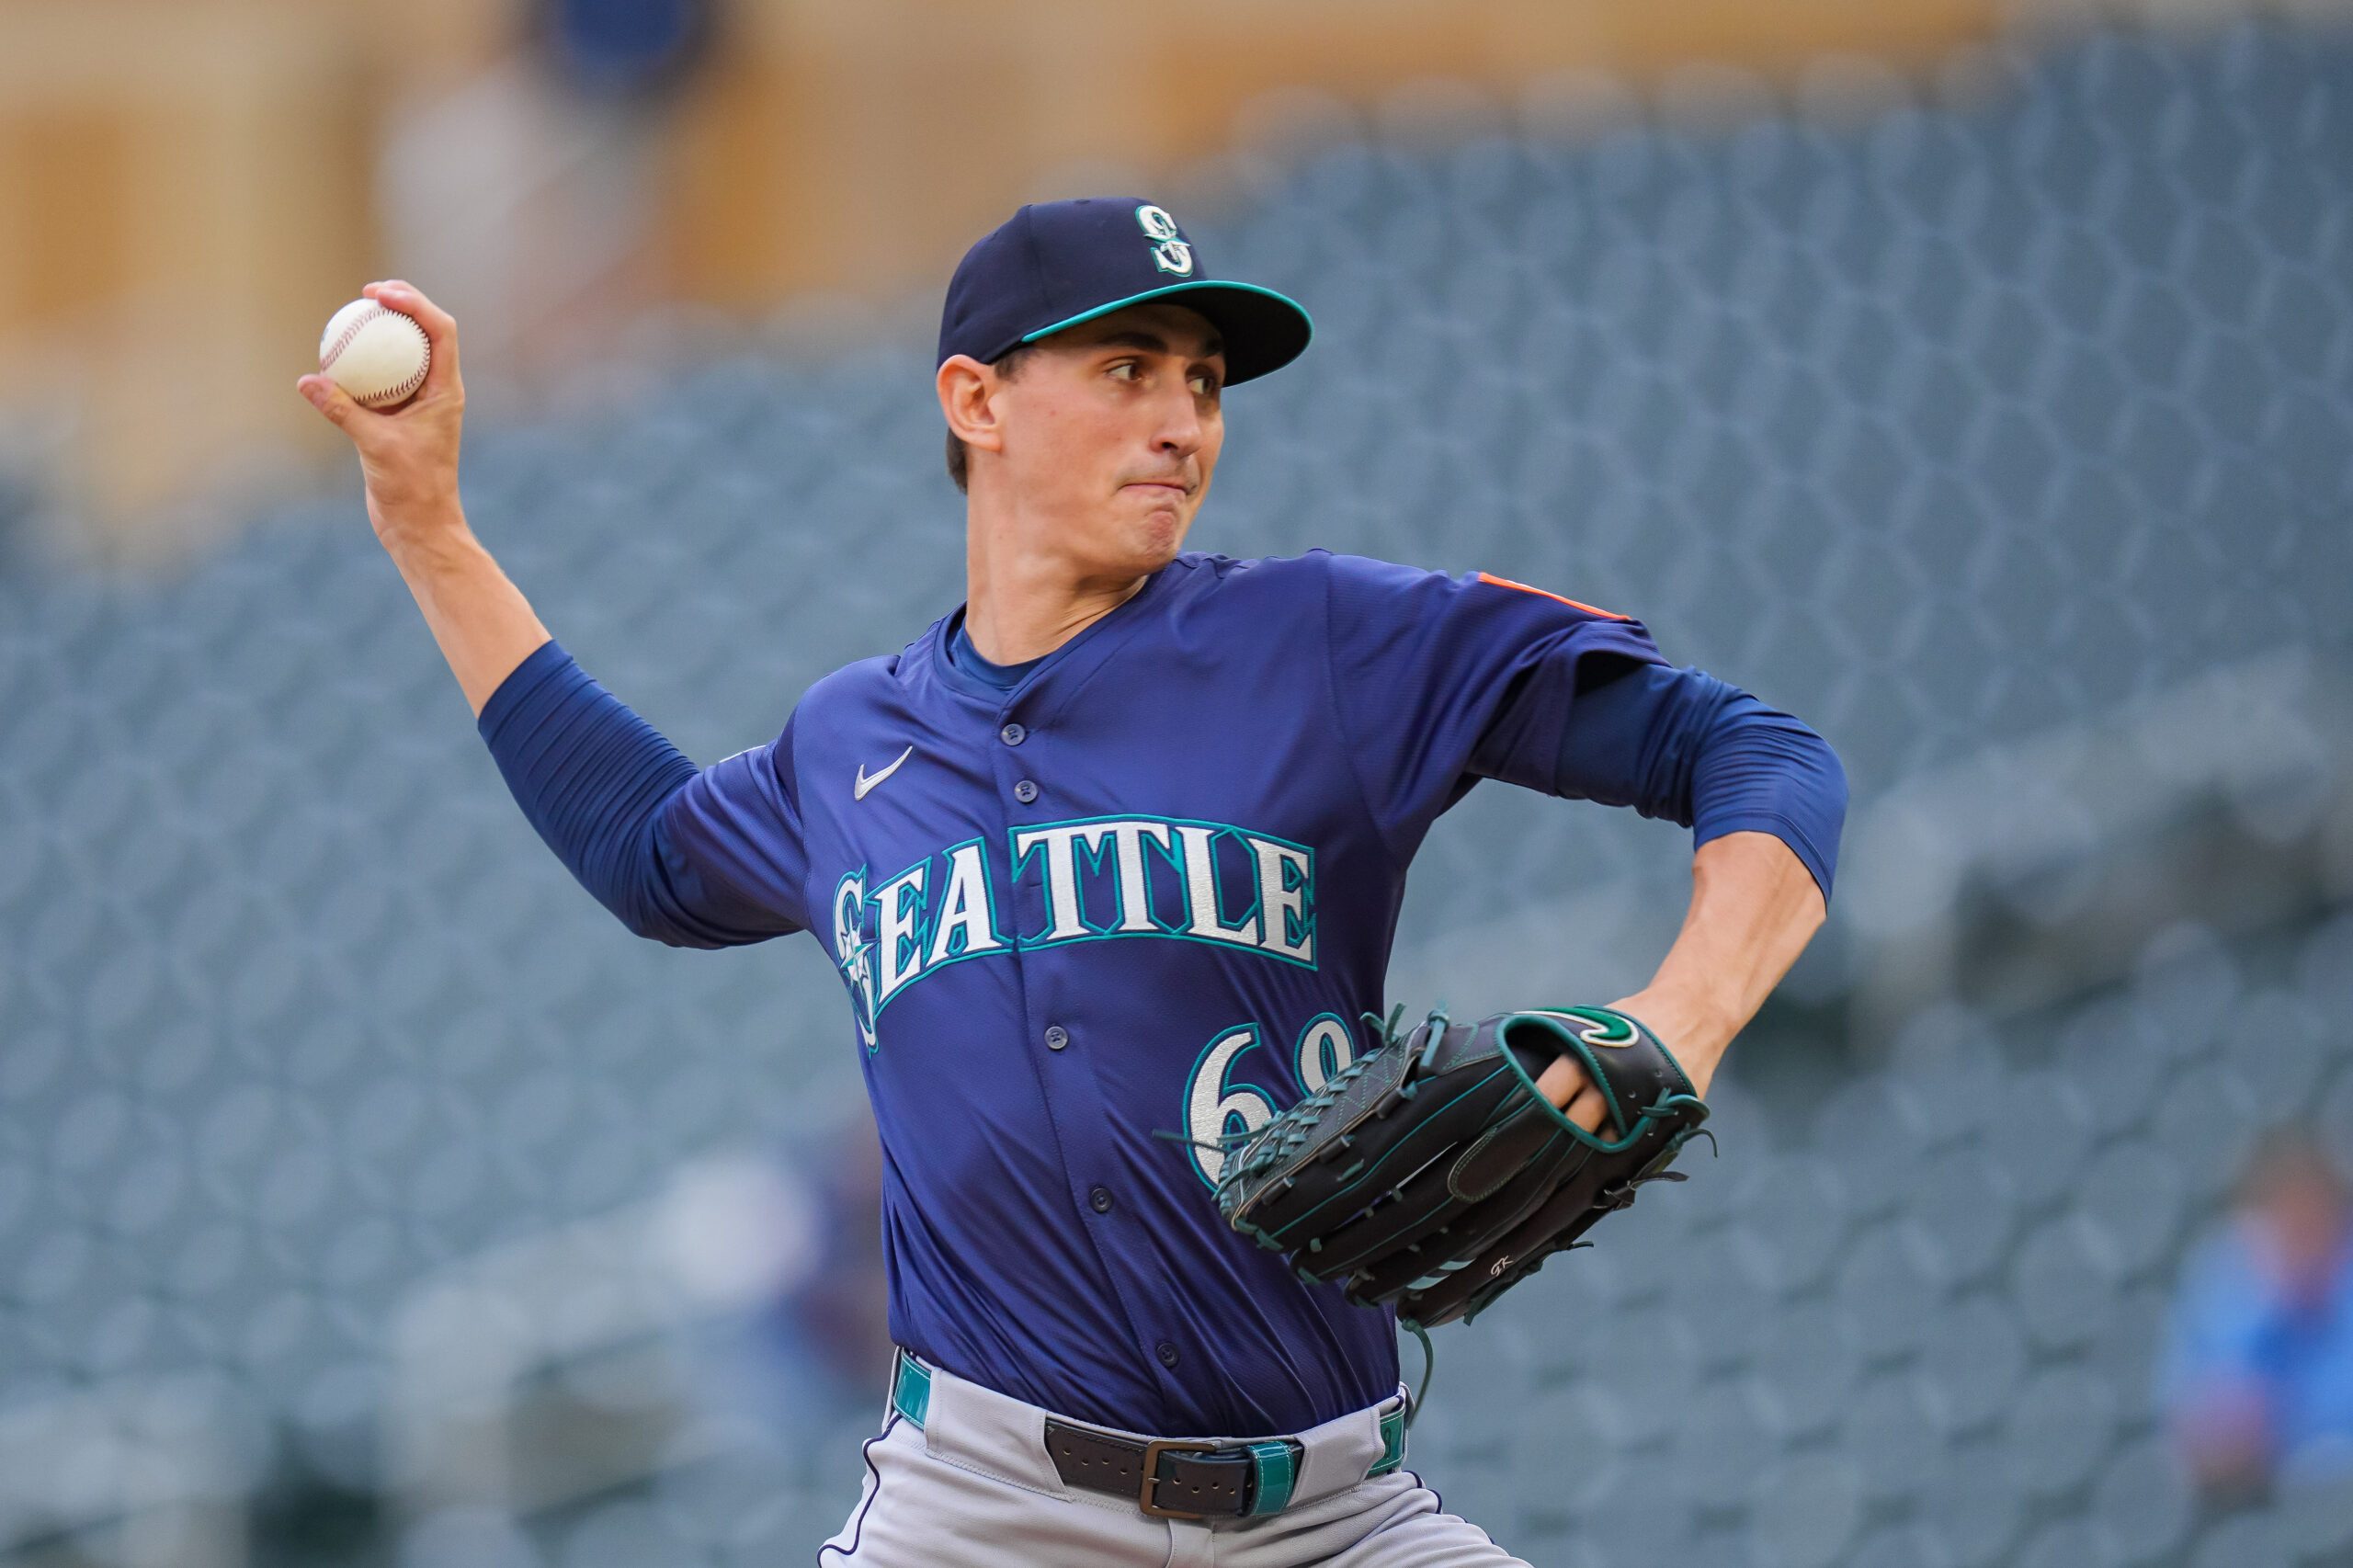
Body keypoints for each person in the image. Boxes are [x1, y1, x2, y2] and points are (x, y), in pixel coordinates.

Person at [298, 197, 1847, 1565]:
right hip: (979, 1515)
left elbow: (1755, 752)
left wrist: (1682, 1021)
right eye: (1128, 370)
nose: (1182, 419)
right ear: (975, 397)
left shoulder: (1324, 643)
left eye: (1203, 382)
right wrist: (427, 523)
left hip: (1336, 1519)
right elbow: (647, 852)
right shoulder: (852, 744)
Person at [2164, 1128, 2353, 1502]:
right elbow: (2187, 1425)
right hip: (2252, 1503)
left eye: (2313, 1212)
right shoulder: (2227, 1272)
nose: (2300, 1229)